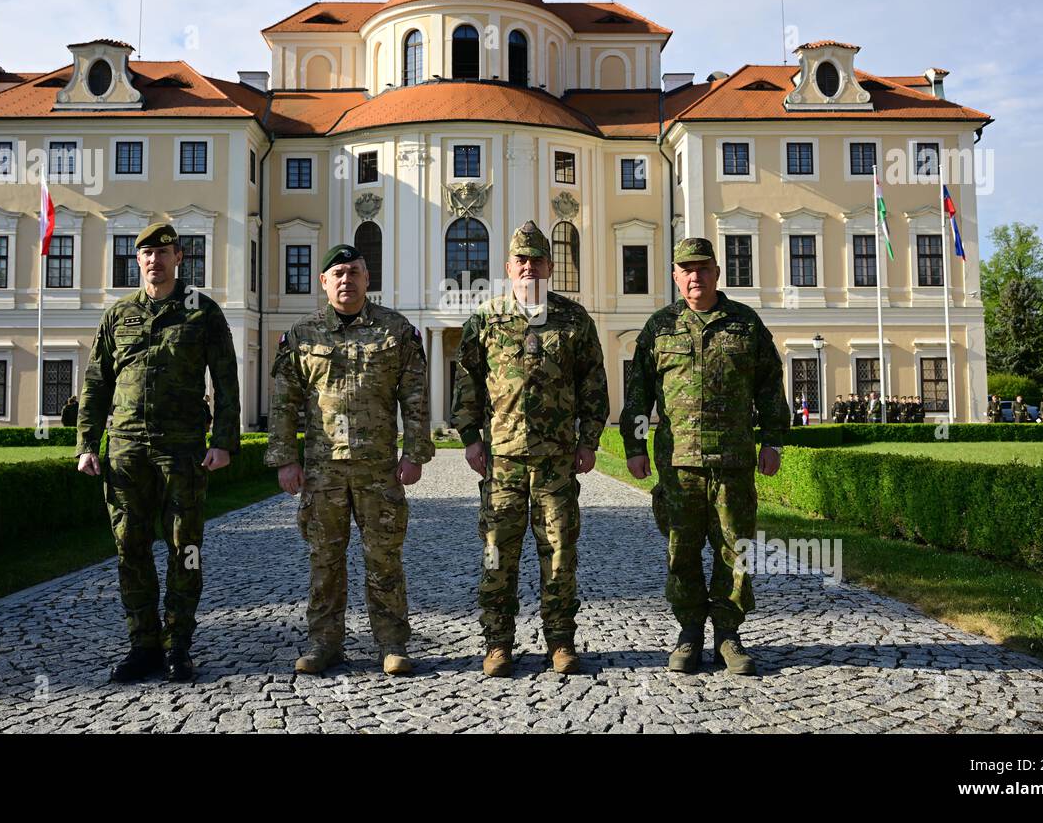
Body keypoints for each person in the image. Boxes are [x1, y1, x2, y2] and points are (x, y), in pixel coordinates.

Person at [76, 222, 240, 685]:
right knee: (130, 547)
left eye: (163, 252)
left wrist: (224, 441)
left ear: (179, 258)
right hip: (126, 450)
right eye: (146, 254)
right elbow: (95, 385)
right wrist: (87, 444)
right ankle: (142, 644)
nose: (154, 261)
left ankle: (178, 646)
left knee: (184, 548)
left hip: (183, 449)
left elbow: (226, 381)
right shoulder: (118, 316)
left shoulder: (201, 312)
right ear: (138, 260)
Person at [621, 237, 789, 676]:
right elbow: (638, 393)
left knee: (736, 550)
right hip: (679, 466)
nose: (695, 276)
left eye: (703, 268)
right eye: (686, 269)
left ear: (717, 272)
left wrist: (773, 441)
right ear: (676, 276)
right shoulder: (659, 328)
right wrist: (636, 446)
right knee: (682, 551)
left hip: (733, 462)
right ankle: (690, 632)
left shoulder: (745, 324)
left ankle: (728, 635)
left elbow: (770, 386)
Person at [267, 243, 433, 677]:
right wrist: (286, 459)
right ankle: (325, 643)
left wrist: (414, 453)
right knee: (325, 560)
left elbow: (414, 397)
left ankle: (392, 643)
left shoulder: (396, 331)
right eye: (337, 273)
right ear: (324, 282)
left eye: (354, 271)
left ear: (367, 278)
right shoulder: (302, 336)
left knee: (384, 559)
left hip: (378, 468)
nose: (346, 279)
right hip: (323, 471)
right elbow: (284, 402)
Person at [452, 220, 608, 678]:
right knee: (497, 553)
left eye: (537, 260)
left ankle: (560, 641)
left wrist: (589, 440)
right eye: (521, 260)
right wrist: (470, 438)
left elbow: (594, 384)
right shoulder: (486, 319)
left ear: (549, 266)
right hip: (501, 461)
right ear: (508, 267)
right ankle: (498, 643)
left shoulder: (573, 319)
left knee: (560, 554)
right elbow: (467, 384)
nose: (529, 267)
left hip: (557, 463)